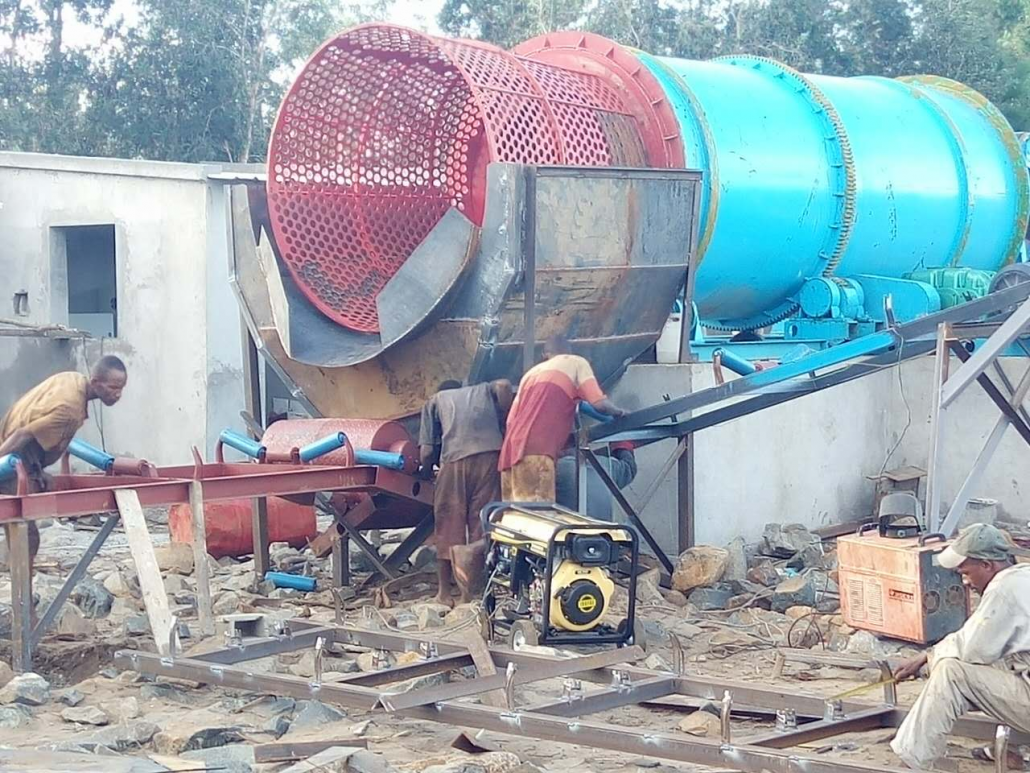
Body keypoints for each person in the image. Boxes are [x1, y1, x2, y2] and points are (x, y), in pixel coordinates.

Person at [890, 523, 1030, 770]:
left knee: (951, 673)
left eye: (966, 573)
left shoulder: (1004, 589)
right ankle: (1019, 748)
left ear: (987, 565)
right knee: (998, 663)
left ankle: (912, 759)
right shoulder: (1024, 576)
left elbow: (971, 649)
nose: (965, 582)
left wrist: (929, 659)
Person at [0, 356, 128, 568]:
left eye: (122, 388)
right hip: (10, 465)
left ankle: (22, 592)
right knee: (27, 537)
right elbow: (23, 434)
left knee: (24, 527)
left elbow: (35, 424)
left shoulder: (73, 380)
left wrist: (37, 470)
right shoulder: (70, 408)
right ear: (95, 382)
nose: (118, 394)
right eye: (113, 387)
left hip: (25, 463)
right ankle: (23, 597)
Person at [419, 379, 514, 606]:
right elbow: (503, 385)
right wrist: (505, 420)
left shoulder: (435, 400)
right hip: (491, 457)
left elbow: (427, 452)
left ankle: (444, 593)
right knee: (483, 523)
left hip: (455, 459)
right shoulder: (484, 390)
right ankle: (472, 593)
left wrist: (424, 471)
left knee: (447, 523)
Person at [499, 334, 626, 502]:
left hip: (509, 457)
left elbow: (510, 421)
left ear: (545, 355)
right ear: (568, 351)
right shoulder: (576, 362)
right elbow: (598, 403)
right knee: (539, 518)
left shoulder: (529, 375)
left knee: (512, 520)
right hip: (538, 455)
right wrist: (620, 413)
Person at [555, 441, 637, 519]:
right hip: (600, 532)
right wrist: (621, 444)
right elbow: (629, 467)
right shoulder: (601, 465)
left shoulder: (552, 471)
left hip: (566, 531)